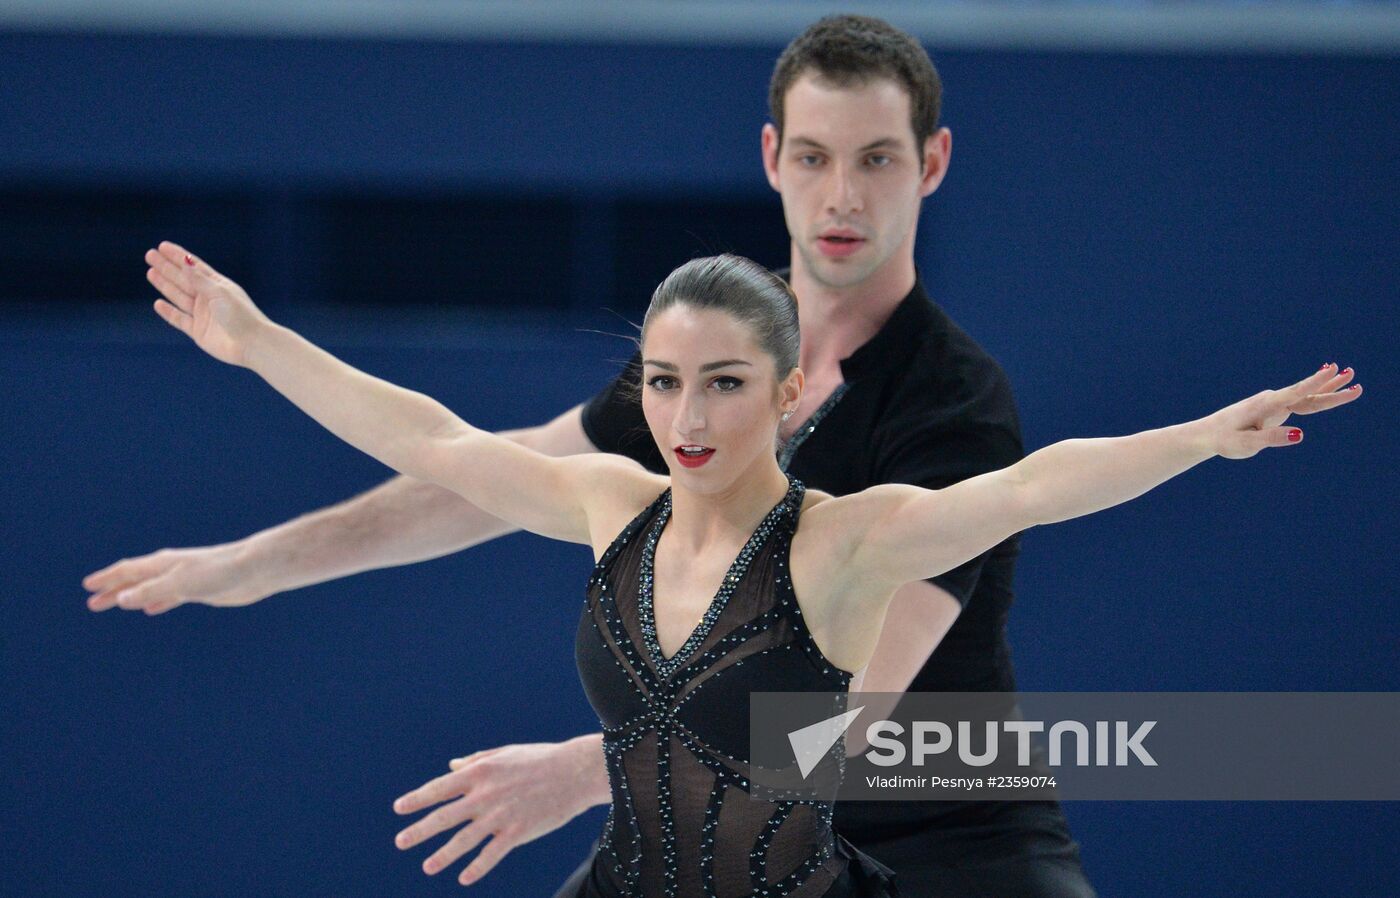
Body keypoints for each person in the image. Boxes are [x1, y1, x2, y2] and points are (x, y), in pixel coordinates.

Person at [75, 15, 1341, 896]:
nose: (840, 197)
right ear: (771, 159)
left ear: (929, 165)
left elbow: (848, 712)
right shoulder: (692, 380)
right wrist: (254, 556)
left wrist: (589, 770)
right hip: (702, 818)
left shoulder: (943, 411)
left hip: (936, 821)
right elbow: (452, 459)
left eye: (875, 160)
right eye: (814, 157)